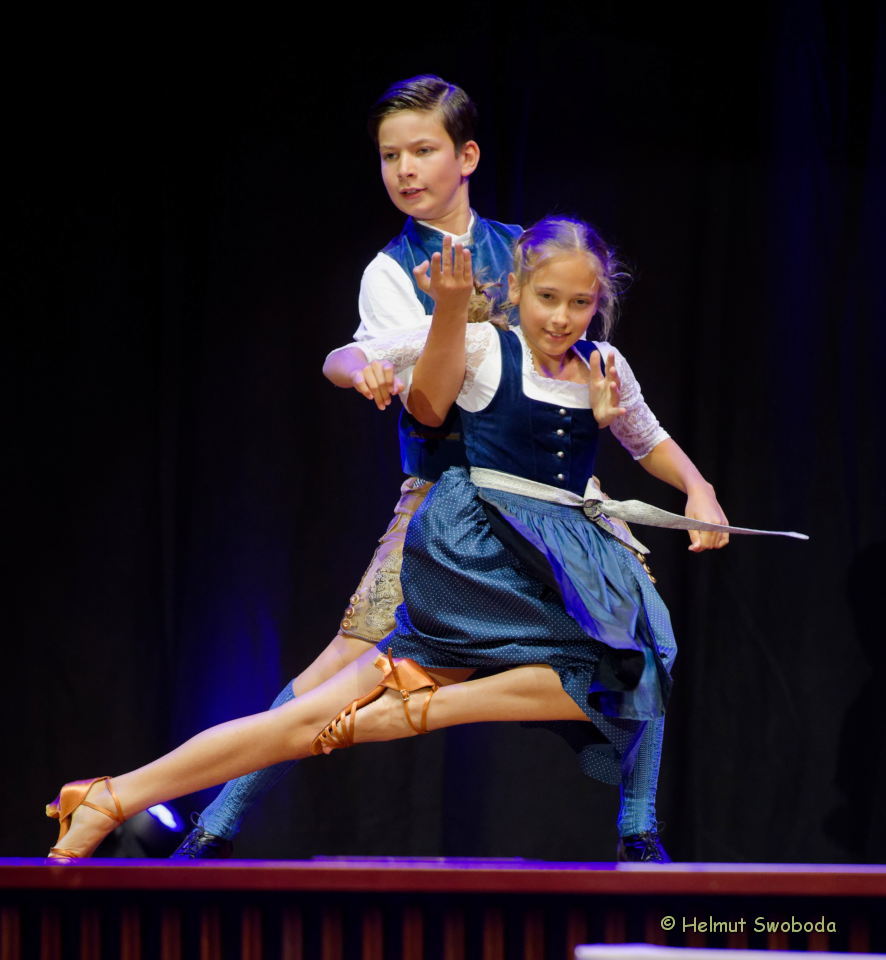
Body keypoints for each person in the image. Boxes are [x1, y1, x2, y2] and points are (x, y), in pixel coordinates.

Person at [46, 215, 745, 864]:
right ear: (516, 291)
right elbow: (353, 362)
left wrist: (699, 488)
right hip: (481, 558)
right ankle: (145, 794)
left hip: (557, 555)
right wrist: (370, 368)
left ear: (600, 303)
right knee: (626, 665)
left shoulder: (603, 364)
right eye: (547, 299)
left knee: (631, 666)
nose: (561, 317)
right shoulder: (484, 344)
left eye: (580, 303)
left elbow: (647, 438)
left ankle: (111, 796)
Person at [171, 74, 524, 860]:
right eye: (390, 156)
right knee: (347, 660)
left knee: (629, 645)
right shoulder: (391, 272)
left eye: (422, 150)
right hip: (450, 498)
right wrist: (362, 365)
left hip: (542, 498)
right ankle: (214, 826)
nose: (405, 169)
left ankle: (640, 833)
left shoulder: (528, 251)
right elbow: (412, 387)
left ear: (467, 156)